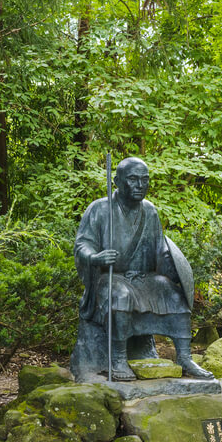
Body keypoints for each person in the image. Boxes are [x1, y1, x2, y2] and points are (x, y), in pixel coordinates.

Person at [71, 157, 212, 381]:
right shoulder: (99, 209)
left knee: (176, 296)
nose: (140, 185)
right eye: (133, 180)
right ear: (117, 181)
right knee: (120, 296)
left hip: (144, 278)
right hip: (110, 277)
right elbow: (82, 245)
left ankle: (184, 357)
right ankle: (118, 359)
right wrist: (96, 257)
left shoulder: (150, 211)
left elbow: (159, 248)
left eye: (144, 180)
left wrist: (171, 266)